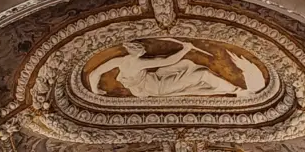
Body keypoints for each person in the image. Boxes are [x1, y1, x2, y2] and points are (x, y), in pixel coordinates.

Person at [87, 40, 264, 97]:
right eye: (141, 50)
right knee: (201, 74)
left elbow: (95, 73)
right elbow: (167, 60)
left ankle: (233, 89)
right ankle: (237, 91)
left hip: (153, 81)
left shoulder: (119, 60)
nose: (143, 51)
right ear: (136, 52)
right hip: (156, 87)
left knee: (185, 66)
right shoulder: (139, 63)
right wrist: (185, 49)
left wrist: (95, 91)